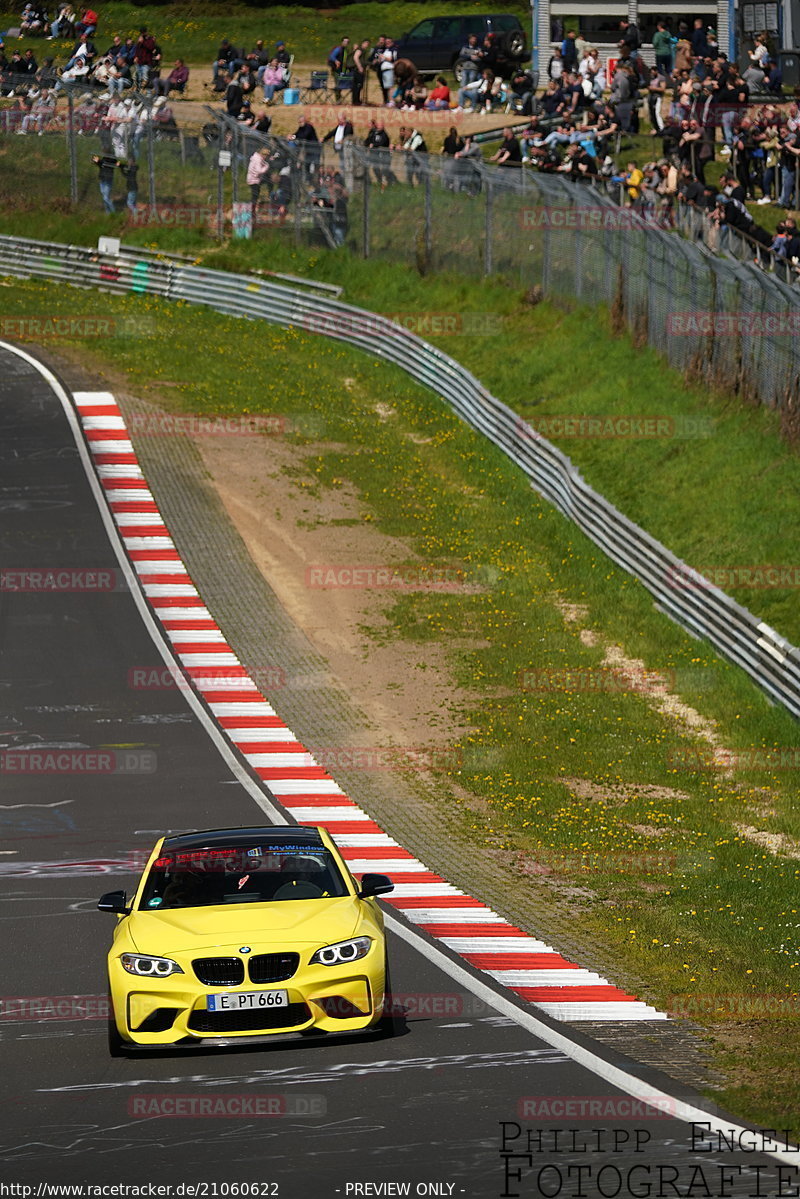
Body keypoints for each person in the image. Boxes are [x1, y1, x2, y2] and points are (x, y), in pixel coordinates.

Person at [247, 145, 271, 222]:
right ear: (263, 154)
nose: (266, 157)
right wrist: (266, 166)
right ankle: (252, 212)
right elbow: (259, 170)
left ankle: (253, 210)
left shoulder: (258, 158)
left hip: (255, 179)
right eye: (266, 156)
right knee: (255, 196)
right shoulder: (257, 159)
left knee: (256, 195)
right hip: (253, 180)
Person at [351, 38, 369, 106]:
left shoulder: (363, 51)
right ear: (363, 43)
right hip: (358, 71)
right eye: (366, 43)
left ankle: (357, 100)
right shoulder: (360, 50)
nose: (366, 45)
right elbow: (355, 57)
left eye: (367, 44)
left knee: (359, 86)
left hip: (360, 70)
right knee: (357, 85)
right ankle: (355, 101)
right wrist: (360, 67)